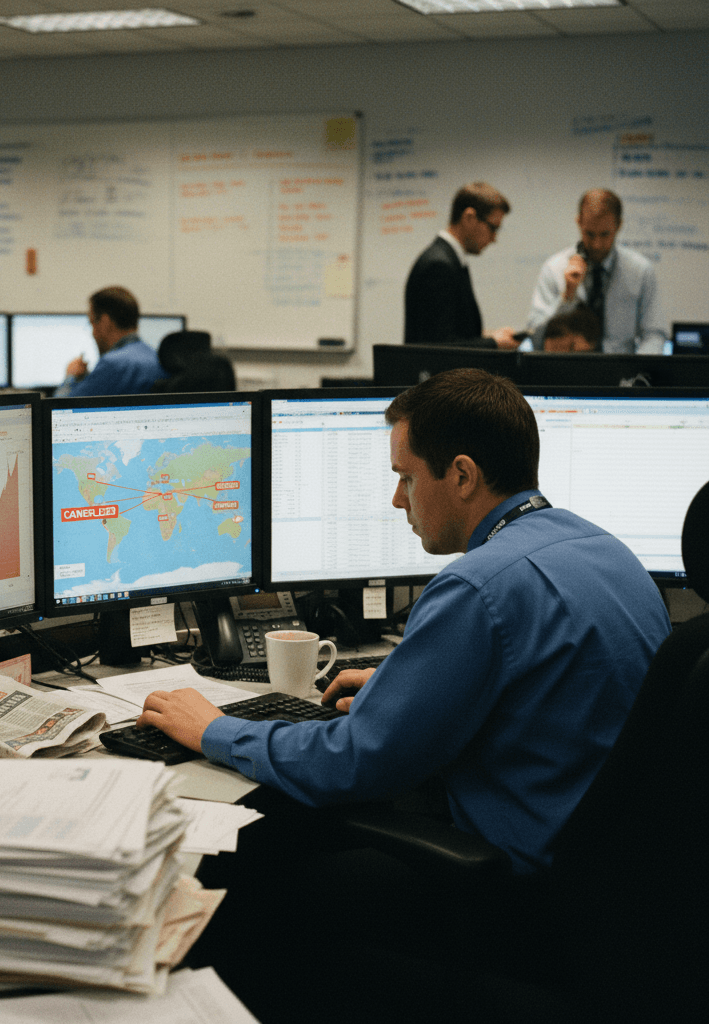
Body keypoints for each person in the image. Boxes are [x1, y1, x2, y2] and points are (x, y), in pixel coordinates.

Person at [139, 368, 671, 875]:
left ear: (462, 475)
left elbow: (351, 764)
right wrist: (407, 687)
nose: (397, 500)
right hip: (615, 875)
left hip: (518, 885)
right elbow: (555, 696)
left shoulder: (477, 587)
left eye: (406, 478)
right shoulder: (606, 551)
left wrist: (215, 730)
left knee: (271, 874)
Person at [526, 188, 667, 354]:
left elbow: (654, 335)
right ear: (579, 222)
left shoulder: (640, 271)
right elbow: (535, 337)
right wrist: (567, 297)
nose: (597, 244)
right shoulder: (554, 268)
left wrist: (637, 373)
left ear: (619, 225)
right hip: (566, 371)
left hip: (621, 371)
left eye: (605, 234)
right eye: (590, 234)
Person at [403, 183, 519, 349]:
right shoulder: (439, 265)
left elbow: (449, 331)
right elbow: (438, 346)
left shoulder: (449, 259)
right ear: (469, 218)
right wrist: (494, 343)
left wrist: (488, 336)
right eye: (493, 228)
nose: (494, 239)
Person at [55, 286, 163, 397]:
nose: (93, 333)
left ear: (105, 322)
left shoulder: (113, 364)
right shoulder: (157, 358)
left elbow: (59, 408)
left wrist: (70, 376)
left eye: (92, 323)